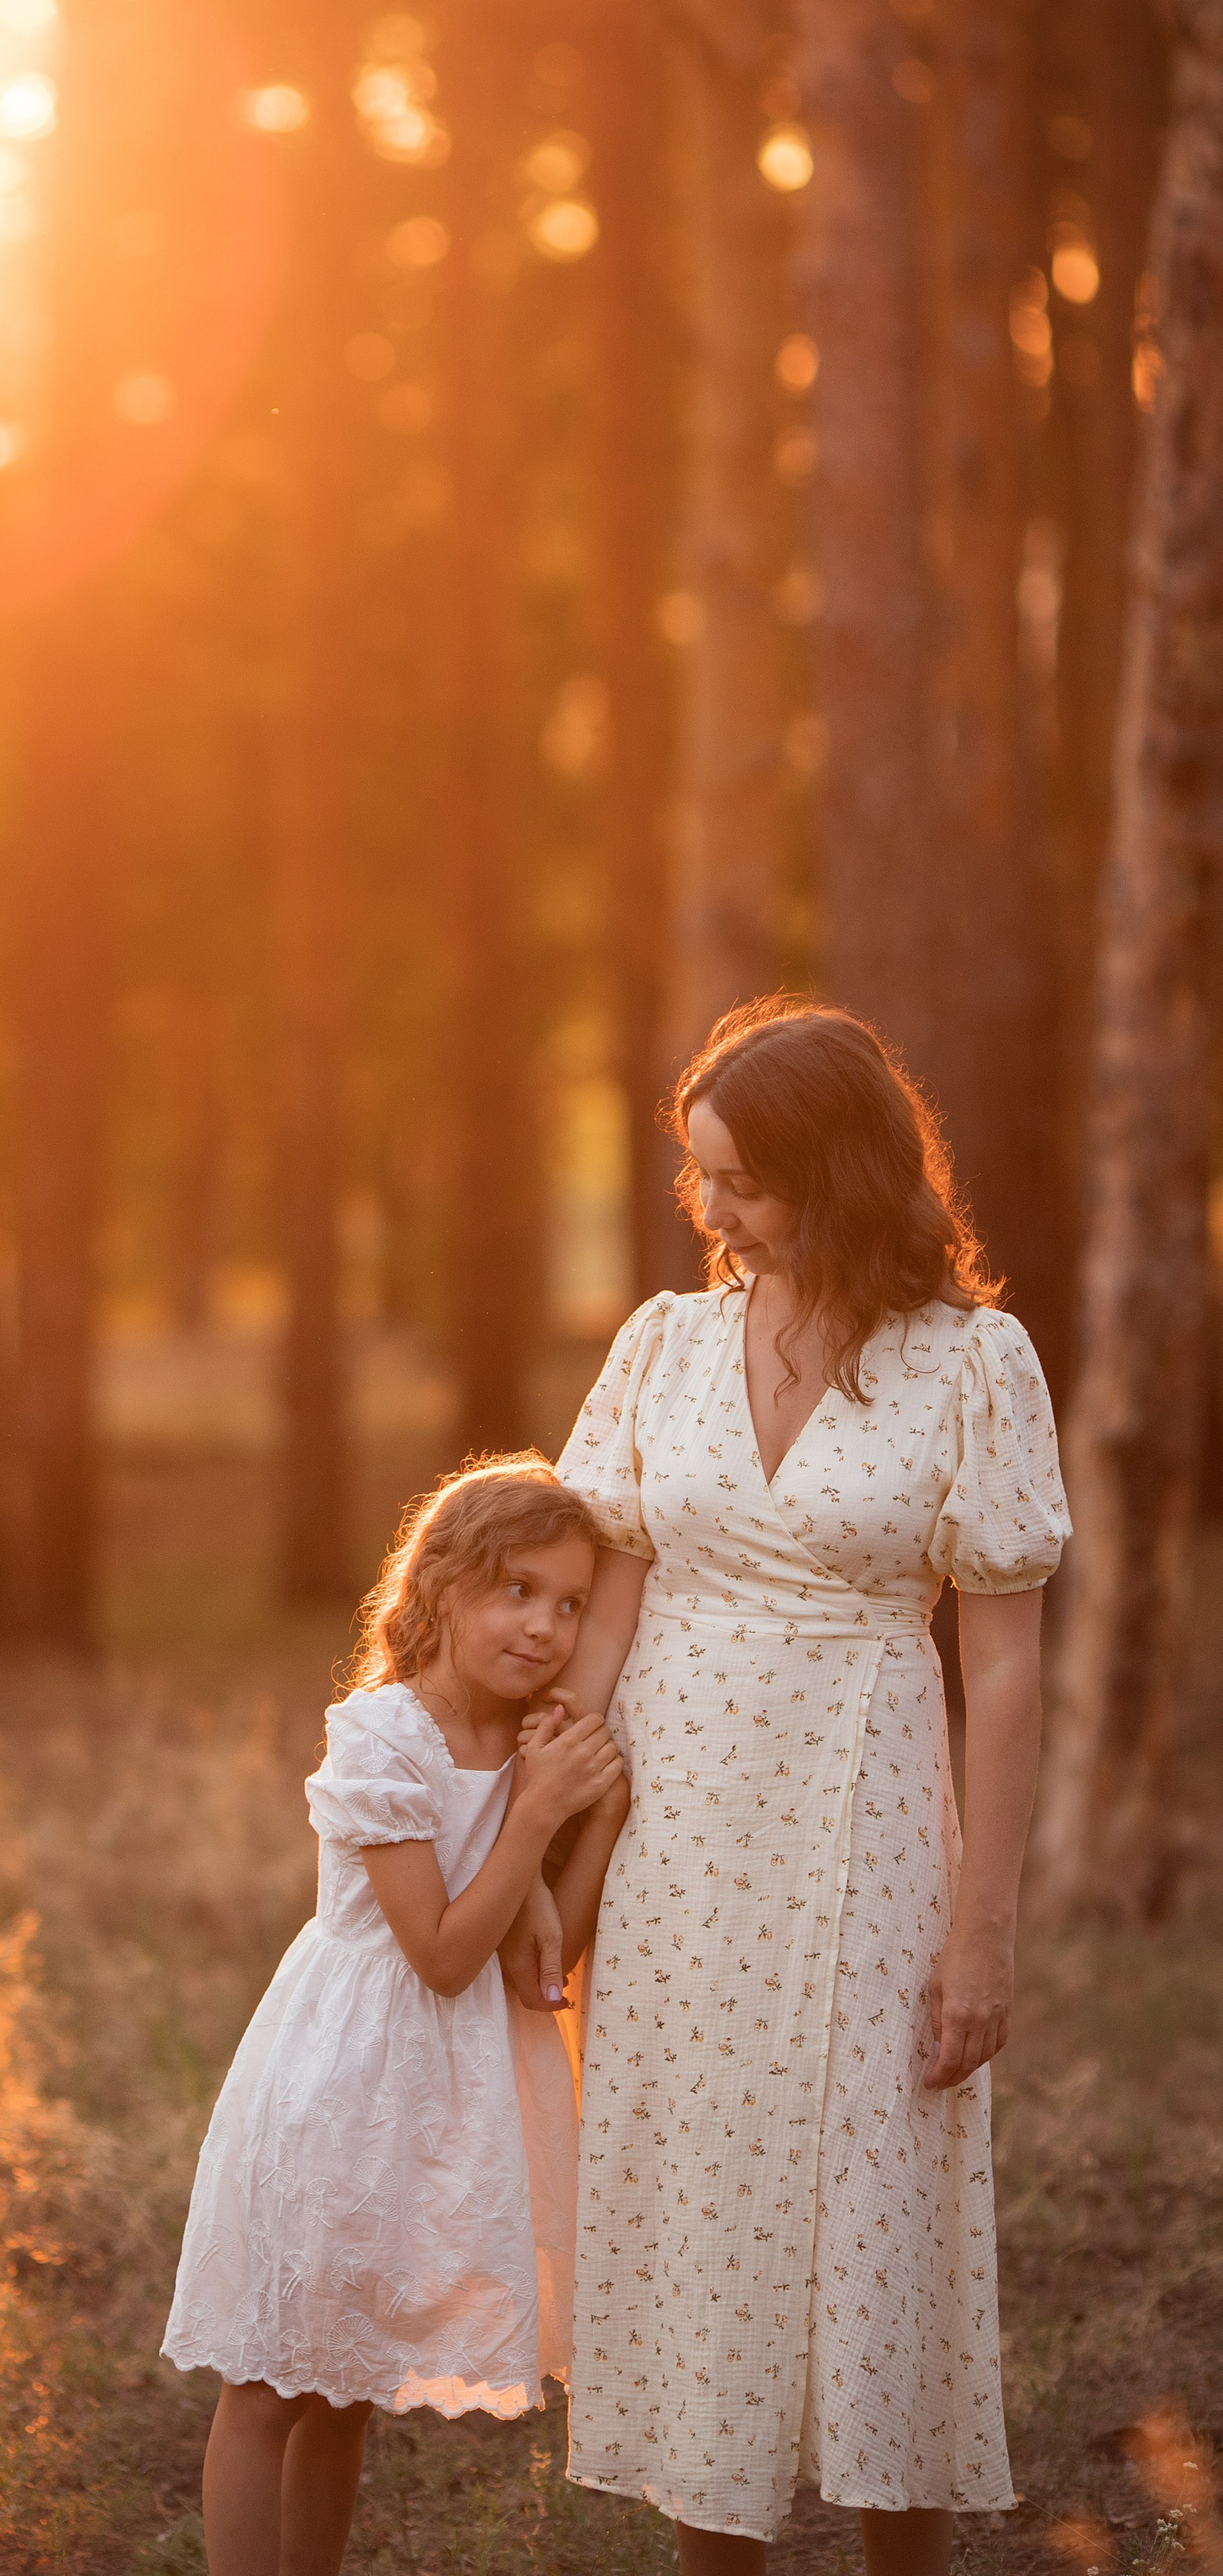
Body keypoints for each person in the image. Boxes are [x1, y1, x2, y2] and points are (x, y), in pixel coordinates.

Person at [503, 997, 1069, 2576]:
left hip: (862, 1810)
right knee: (692, 2184)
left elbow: (1005, 1669)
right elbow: (607, 1604)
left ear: (835, 1173)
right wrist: (548, 1842)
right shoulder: (661, 1345)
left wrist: (982, 1931)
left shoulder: (971, 1363)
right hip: (672, 1822)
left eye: (741, 1181)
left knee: (878, 2198)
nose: (713, 1213)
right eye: (700, 1179)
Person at [163, 1455, 633, 2576]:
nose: (546, 1627)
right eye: (517, 1591)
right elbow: (435, 1953)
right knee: (276, 2380)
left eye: (571, 1605)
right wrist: (536, 1811)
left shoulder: (527, 1742)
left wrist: (598, 1822)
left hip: (446, 2094)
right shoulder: (384, 1735)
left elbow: (538, 1972)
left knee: (349, 2390)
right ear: (446, 1587)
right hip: (347, 2076)